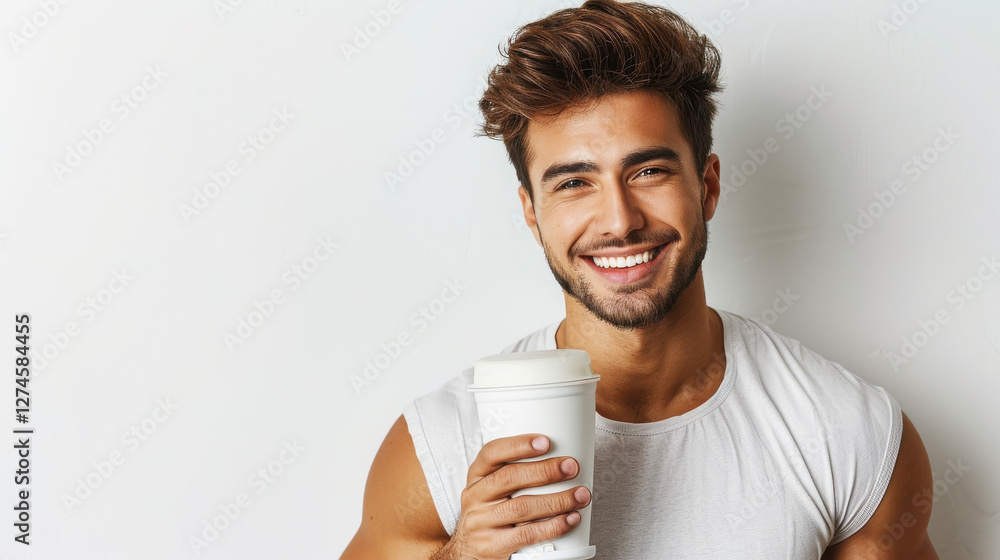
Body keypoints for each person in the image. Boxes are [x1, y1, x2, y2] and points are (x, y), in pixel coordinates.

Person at [341, 1, 939, 558]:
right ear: (532, 213)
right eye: (574, 182)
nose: (620, 221)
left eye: (648, 170)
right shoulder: (440, 446)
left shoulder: (845, 431)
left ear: (706, 186)